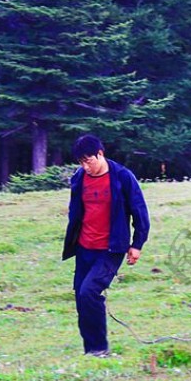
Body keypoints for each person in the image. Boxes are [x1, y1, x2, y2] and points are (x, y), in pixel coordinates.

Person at [62, 134, 150, 357]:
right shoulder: (79, 177)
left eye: (88, 160)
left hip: (111, 249)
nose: (85, 166)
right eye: (81, 161)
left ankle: (100, 348)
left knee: (90, 292)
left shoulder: (122, 177)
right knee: (81, 298)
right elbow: (76, 212)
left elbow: (139, 212)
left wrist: (137, 244)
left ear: (100, 154)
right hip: (84, 247)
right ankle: (90, 349)